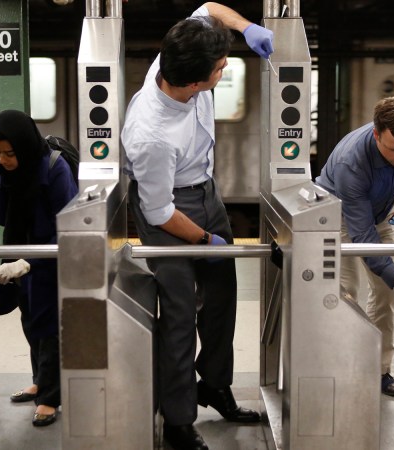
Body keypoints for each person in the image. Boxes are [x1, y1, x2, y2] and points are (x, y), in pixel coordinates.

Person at [121, 3, 273, 449]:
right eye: (219, 66)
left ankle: (214, 385)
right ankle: (178, 419)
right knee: (181, 314)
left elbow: (208, 7)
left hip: (206, 192)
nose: (226, 66)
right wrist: (207, 239)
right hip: (169, 209)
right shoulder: (151, 135)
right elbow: (158, 213)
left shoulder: (177, 52)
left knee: (223, 295)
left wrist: (247, 29)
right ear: (193, 82)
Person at [315, 96, 394, 398]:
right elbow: (363, 239)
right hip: (339, 217)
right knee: (344, 295)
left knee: (384, 293)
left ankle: (379, 370)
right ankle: (342, 367)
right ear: (376, 134)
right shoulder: (350, 163)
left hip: (382, 214)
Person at [0, 110, 78, 426]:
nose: (2, 159)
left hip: (50, 253)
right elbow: (6, 189)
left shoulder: (56, 171)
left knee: (50, 324)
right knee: (29, 318)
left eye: (9, 153)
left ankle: (51, 399)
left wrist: (29, 261)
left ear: (25, 148)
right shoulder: (3, 159)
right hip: (21, 247)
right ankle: (40, 381)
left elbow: (67, 227)